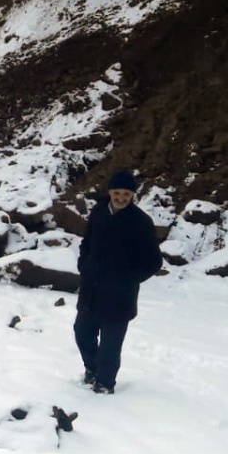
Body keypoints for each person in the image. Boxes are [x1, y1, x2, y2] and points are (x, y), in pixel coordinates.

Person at [74, 169, 163, 394]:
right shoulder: (99, 211)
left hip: (119, 296)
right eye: (117, 193)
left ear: (132, 195)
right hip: (91, 289)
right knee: (82, 332)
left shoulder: (141, 222)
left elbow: (153, 262)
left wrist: (128, 279)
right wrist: (84, 265)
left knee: (110, 346)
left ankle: (104, 384)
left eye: (126, 194)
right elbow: (87, 241)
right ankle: (92, 370)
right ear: (110, 192)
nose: (121, 198)